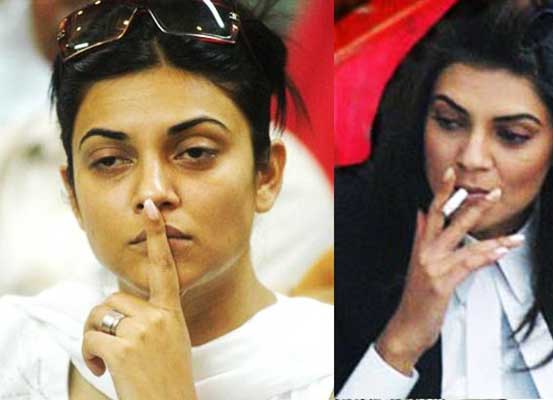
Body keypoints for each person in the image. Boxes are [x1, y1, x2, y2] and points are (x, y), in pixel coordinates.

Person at [0, 1, 332, 399]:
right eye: (110, 161)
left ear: (267, 175)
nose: (152, 192)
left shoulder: (332, 365)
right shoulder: (22, 348)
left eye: (195, 152)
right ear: (72, 194)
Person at [336, 0, 553, 398]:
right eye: (449, 122)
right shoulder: (344, 242)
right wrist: (402, 340)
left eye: (512, 136)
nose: (472, 158)